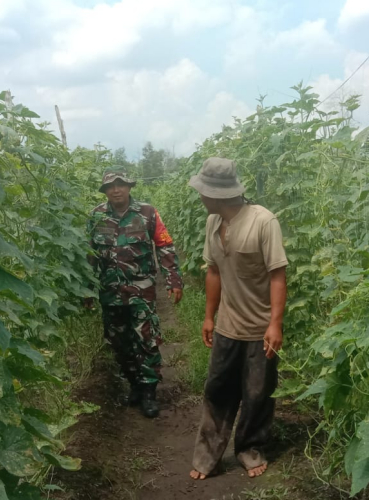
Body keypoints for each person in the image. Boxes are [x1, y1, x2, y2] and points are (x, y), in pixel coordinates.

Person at [187, 157, 288, 480]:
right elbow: (214, 271)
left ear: (216, 195)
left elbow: (277, 275)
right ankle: (207, 457)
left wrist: (274, 323)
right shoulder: (213, 223)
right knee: (217, 390)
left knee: (258, 393)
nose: (200, 196)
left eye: (202, 191)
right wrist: (209, 316)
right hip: (227, 326)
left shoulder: (263, 221)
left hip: (260, 328)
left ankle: (250, 449)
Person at [86, 167, 184, 418]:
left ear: (129, 186)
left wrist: (173, 280)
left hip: (141, 290)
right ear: (105, 190)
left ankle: (149, 390)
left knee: (146, 338)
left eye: (120, 184)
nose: (116, 190)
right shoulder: (96, 216)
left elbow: (164, 245)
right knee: (118, 341)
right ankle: (134, 384)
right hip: (110, 292)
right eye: (110, 186)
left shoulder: (147, 213)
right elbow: (90, 255)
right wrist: (86, 289)